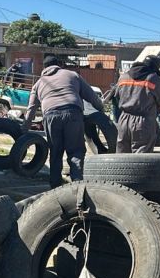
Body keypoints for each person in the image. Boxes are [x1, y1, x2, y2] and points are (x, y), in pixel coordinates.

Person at [23, 56, 105, 188]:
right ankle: (77, 185)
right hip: (73, 113)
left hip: (50, 116)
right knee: (75, 151)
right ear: (59, 65)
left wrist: (24, 131)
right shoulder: (72, 75)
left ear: (44, 68)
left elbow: (31, 109)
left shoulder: (38, 83)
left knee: (55, 152)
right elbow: (91, 96)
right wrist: (101, 111)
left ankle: (55, 187)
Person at [111, 55, 160, 153]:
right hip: (144, 122)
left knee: (122, 156)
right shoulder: (153, 78)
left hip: (123, 120)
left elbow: (117, 96)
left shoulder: (124, 76)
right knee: (141, 158)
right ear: (155, 67)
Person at [83, 87, 118, 154]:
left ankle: (99, 152)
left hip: (85, 116)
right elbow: (100, 104)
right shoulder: (90, 91)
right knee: (111, 134)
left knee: (89, 138)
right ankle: (105, 151)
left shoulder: (80, 91)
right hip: (95, 114)